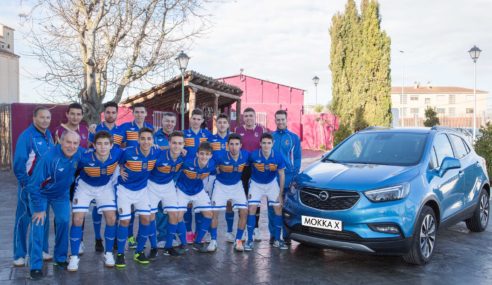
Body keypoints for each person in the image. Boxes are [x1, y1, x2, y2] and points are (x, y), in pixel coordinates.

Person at [26, 131, 82, 280]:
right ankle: (35, 265)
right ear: (60, 141)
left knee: (64, 221)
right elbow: (33, 185)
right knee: (39, 225)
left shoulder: (78, 154)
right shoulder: (49, 158)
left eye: (75, 143)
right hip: (41, 194)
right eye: (68, 142)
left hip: (61, 195)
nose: (71, 146)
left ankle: (60, 258)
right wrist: (38, 209)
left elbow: (96, 156)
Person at [67, 131, 122, 271]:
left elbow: (138, 153)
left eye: (106, 144)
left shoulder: (118, 153)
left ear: (111, 145)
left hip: (104, 187)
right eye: (99, 143)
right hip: (85, 187)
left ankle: (108, 253)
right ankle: (74, 257)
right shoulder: (84, 157)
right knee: (77, 219)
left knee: (111, 217)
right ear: (94, 145)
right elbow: (71, 168)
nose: (103, 147)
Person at [12, 106, 54, 267]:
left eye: (48, 118)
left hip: (45, 188)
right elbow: (18, 166)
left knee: (42, 219)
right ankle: (19, 254)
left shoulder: (48, 135)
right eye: (42, 117)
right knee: (23, 219)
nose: (45, 120)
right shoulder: (27, 137)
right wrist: (27, 185)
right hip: (28, 186)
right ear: (34, 118)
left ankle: (42, 250)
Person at [114, 127, 159, 268]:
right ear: (138, 139)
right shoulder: (128, 152)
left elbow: (171, 152)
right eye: (143, 138)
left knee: (146, 218)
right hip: (124, 190)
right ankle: (120, 254)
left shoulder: (156, 152)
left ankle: (139, 252)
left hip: (142, 190)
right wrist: (120, 169)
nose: (146, 141)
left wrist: (182, 150)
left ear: (153, 140)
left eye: (149, 138)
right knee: (125, 221)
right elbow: (115, 160)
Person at [87, 101, 123, 252]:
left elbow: (124, 150)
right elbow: (89, 149)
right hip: (98, 172)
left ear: (116, 113)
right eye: (107, 112)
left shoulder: (121, 131)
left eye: (113, 112)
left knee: (114, 206)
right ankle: (97, 238)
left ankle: (113, 237)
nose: (110, 115)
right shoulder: (95, 129)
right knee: (97, 207)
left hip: (114, 172)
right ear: (104, 113)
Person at [244, 133, 287, 251]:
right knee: (252, 208)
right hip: (256, 184)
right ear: (260, 144)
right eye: (264, 143)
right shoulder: (253, 155)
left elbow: (282, 174)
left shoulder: (278, 156)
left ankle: (278, 239)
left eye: (269, 143)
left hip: (271, 184)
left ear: (273, 144)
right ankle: (249, 240)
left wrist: (280, 193)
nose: (266, 145)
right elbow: (246, 170)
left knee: (278, 209)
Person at [119, 103, 154, 248]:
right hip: (129, 171)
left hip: (144, 175)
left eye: (142, 112)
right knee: (129, 212)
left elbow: (155, 147)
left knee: (144, 212)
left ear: (146, 113)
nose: (139, 114)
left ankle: (140, 239)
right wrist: (119, 167)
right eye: (137, 112)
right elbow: (116, 146)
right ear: (134, 113)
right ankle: (129, 237)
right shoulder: (126, 127)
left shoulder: (150, 128)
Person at [147, 131, 186, 257]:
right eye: (174, 143)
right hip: (152, 185)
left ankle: (168, 246)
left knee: (174, 214)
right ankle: (153, 247)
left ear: (183, 145)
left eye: (180, 143)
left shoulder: (183, 157)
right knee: (151, 217)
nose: (176, 146)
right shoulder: (158, 154)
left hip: (168, 185)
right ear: (169, 143)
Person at [210, 133, 249, 252]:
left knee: (244, 211)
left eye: (237, 144)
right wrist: (214, 169)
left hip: (237, 186)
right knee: (214, 212)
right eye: (231, 144)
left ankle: (238, 241)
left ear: (241, 145)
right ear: (227, 146)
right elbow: (208, 164)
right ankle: (213, 241)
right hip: (221, 186)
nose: (234, 147)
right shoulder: (219, 156)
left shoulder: (246, 155)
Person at [175, 142, 215, 253]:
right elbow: (172, 165)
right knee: (178, 216)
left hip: (198, 190)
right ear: (197, 154)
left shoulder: (212, 164)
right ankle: (183, 244)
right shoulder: (187, 162)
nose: (204, 157)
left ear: (211, 156)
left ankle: (197, 242)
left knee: (209, 214)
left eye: (207, 154)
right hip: (183, 190)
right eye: (201, 154)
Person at [270, 110, 301, 245]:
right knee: (273, 208)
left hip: (288, 178)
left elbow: (298, 158)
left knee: (287, 209)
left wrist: (295, 175)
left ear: (286, 120)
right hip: (272, 179)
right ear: (275, 120)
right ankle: (273, 235)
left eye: (282, 119)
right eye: (278, 120)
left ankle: (287, 235)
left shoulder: (294, 137)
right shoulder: (270, 137)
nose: (280, 122)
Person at [182, 109, 212, 242]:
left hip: (202, 174)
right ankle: (188, 232)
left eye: (198, 119)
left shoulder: (207, 134)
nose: (196, 121)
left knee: (200, 205)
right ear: (190, 118)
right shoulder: (184, 134)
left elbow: (212, 153)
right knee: (188, 205)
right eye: (194, 118)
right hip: (186, 173)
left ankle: (200, 233)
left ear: (202, 121)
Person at [235, 107, 264, 241]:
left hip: (256, 168)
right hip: (242, 169)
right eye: (246, 116)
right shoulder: (238, 130)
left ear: (255, 117)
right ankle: (245, 228)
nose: (248, 118)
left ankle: (256, 228)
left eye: (250, 116)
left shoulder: (261, 130)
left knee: (255, 199)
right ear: (243, 118)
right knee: (243, 199)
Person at [153, 112, 179, 248]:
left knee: (172, 209)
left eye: (172, 122)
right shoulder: (154, 137)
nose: (169, 124)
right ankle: (161, 237)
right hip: (157, 179)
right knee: (160, 210)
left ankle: (172, 235)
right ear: (162, 122)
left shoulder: (178, 137)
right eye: (167, 121)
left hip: (173, 178)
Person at [209, 114, 236, 242]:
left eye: (224, 122)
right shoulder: (210, 139)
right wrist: (215, 167)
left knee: (229, 204)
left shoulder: (232, 139)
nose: (222, 125)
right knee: (213, 205)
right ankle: (210, 233)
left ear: (228, 124)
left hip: (229, 176)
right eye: (219, 122)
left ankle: (229, 232)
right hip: (214, 176)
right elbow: (207, 156)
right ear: (216, 124)